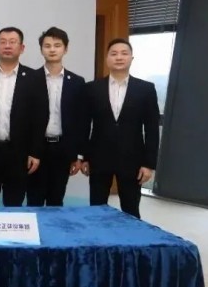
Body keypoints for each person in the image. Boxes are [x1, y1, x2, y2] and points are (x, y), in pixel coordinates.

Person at [82, 38, 160, 219]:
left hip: (132, 159)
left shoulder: (146, 89)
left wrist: (149, 164)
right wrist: (84, 157)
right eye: (114, 53)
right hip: (99, 157)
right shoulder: (92, 88)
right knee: (97, 208)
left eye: (124, 53)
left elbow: (151, 129)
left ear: (132, 58)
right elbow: (85, 124)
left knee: (131, 209)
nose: (119, 57)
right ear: (107, 58)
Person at [0, 27, 48, 207]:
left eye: (12, 42)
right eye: (3, 42)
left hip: (19, 153)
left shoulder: (34, 77)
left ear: (22, 48)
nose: (7, 46)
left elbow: (40, 117)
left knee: (14, 205)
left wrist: (35, 152)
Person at [26, 27, 86, 207]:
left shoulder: (77, 82)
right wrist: (30, 151)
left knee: (56, 199)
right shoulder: (30, 79)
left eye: (57, 45)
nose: (52, 49)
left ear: (65, 49)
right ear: (41, 49)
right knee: (34, 200)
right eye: (47, 46)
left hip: (63, 149)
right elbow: (25, 119)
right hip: (36, 149)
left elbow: (80, 121)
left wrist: (78, 155)